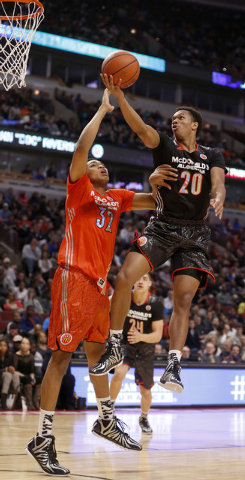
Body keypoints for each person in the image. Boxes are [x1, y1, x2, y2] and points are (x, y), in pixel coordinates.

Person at [26, 89, 170, 476]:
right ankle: (42, 438)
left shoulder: (117, 198)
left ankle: (106, 419)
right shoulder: (78, 192)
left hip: (98, 288)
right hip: (72, 278)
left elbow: (153, 200)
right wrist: (104, 110)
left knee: (97, 355)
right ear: (83, 172)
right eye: (94, 164)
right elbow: (79, 149)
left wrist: (158, 181)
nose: (99, 166)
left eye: (102, 165)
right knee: (60, 357)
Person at [90, 74, 226, 396]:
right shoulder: (165, 145)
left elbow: (219, 180)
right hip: (163, 226)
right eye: (173, 118)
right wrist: (120, 97)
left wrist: (218, 193)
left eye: (181, 118)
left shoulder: (213, 155)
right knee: (123, 278)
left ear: (195, 125)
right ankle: (114, 345)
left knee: (183, 299)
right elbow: (141, 129)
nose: (174, 121)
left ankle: (174, 364)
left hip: (194, 234)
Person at [110, 273, 163, 434]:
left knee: (145, 390)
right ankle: (109, 410)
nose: (140, 281)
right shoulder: (124, 295)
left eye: (145, 278)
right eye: (138, 277)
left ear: (150, 283)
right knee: (119, 372)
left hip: (145, 348)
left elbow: (158, 335)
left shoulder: (155, 304)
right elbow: (104, 304)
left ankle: (144, 418)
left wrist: (141, 337)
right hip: (125, 344)